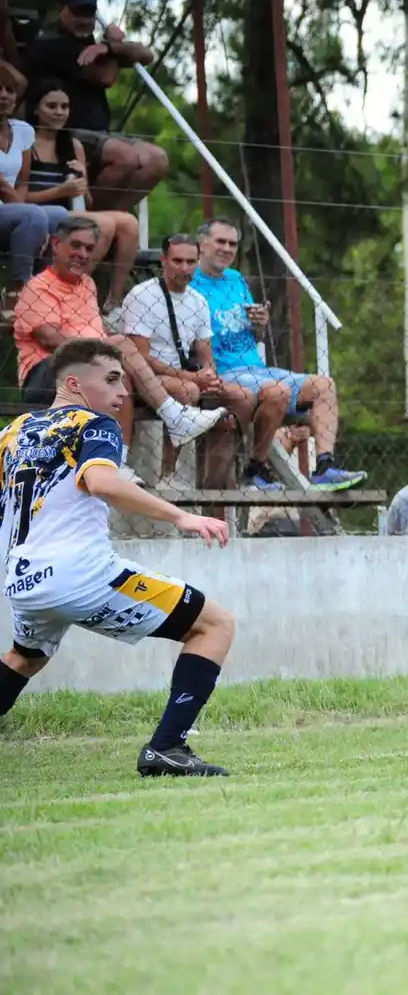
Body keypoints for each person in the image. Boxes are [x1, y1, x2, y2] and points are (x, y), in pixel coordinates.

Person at [0, 338, 236, 777]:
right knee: (214, 624)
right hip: (82, 576)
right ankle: (167, 748)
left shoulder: (11, 434)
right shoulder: (94, 424)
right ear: (74, 383)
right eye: (111, 379)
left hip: (23, 579)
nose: (123, 392)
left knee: (25, 658)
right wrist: (183, 517)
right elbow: (103, 482)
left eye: (123, 380)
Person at [14, 217, 226, 470]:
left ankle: (120, 459)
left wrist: (103, 350)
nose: (82, 254)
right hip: (48, 372)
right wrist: (102, 347)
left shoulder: (87, 285)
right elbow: (51, 339)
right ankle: (172, 415)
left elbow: (97, 332)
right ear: (57, 245)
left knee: (119, 375)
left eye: (89, 249)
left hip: (90, 366)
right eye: (76, 246)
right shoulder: (38, 287)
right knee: (119, 345)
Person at [190, 218, 366, 491]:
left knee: (324, 385)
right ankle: (257, 468)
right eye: (220, 242)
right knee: (277, 390)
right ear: (201, 244)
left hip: (256, 369)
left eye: (232, 244)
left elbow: (253, 331)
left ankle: (325, 467)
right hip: (222, 373)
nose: (227, 248)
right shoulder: (190, 284)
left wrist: (259, 322)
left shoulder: (236, 280)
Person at [120, 234, 258, 486]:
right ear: (163, 260)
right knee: (189, 389)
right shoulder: (142, 295)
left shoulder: (198, 301)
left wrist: (211, 377)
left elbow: (206, 355)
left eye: (191, 261)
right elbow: (139, 357)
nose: (184, 268)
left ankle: (223, 476)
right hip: (146, 376)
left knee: (244, 396)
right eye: (178, 261)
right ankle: (168, 475)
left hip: (186, 375)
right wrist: (193, 377)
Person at [20, 0, 167, 213]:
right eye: (78, 12)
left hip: (100, 133)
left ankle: (112, 217)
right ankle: (92, 221)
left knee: (157, 160)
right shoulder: (51, 43)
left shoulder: (94, 45)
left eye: (89, 13)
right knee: (125, 158)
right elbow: (105, 77)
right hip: (67, 131)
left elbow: (146, 55)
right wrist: (112, 48)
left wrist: (109, 47)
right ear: (63, 10)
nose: (84, 19)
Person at [24, 77, 139, 316]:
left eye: (64, 107)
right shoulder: (27, 143)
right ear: (36, 108)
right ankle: (69, 295)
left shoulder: (72, 144)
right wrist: (60, 191)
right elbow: (19, 198)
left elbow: (86, 202)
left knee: (128, 223)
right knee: (103, 223)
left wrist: (82, 181)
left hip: (70, 211)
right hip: (39, 211)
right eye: (51, 106)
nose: (59, 112)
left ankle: (114, 304)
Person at [0, 61, 65, 318]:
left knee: (59, 214)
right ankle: (16, 292)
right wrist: (29, 214)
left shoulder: (23, 131)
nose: (4, 95)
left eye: (9, 89)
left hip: (11, 211)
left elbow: (22, 182)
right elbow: (2, 188)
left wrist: (28, 213)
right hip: (9, 209)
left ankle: (43, 292)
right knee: (34, 217)